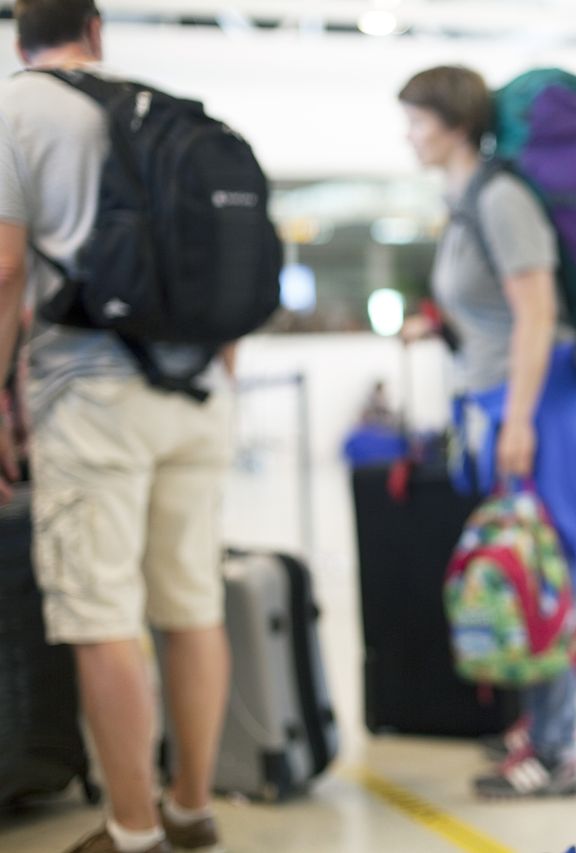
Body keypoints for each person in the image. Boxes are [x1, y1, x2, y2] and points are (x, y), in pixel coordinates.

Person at [0, 3, 235, 852]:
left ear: (17, 32)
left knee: (101, 613)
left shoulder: (16, 110)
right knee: (192, 602)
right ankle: (190, 806)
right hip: (199, 389)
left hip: (89, 396)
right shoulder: (161, 105)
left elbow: (4, 265)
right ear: (96, 28)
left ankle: (131, 829)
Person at [398, 65, 576, 798]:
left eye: (417, 119)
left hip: (543, 409)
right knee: (529, 567)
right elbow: (496, 310)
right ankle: (540, 727)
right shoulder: (467, 198)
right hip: (512, 405)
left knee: (545, 575)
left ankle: (558, 752)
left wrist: (521, 417)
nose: (408, 134)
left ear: (457, 124)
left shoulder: (499, 197)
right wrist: (438, 327)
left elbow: (536, 311)